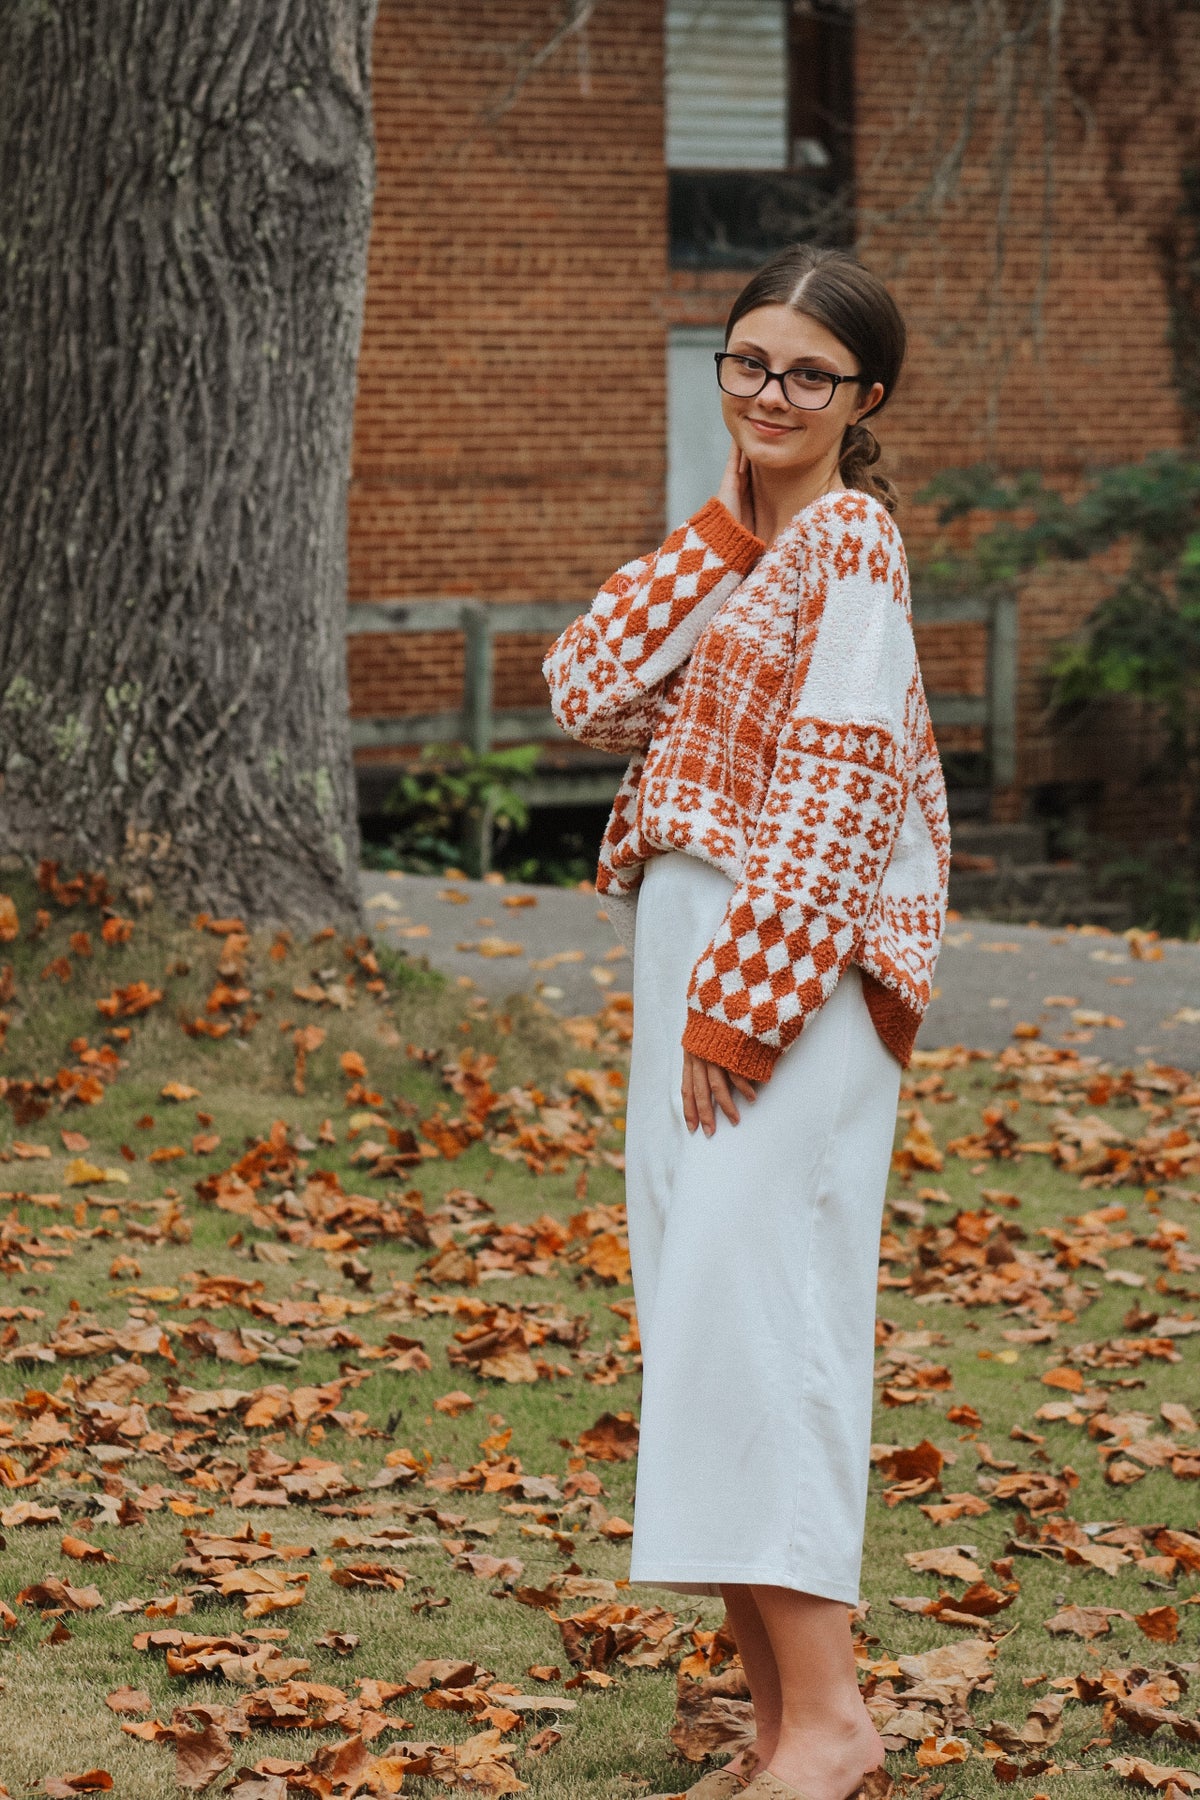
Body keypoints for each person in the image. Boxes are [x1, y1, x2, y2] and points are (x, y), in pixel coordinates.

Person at [543, 243, 951, 1800]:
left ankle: (834, 1722)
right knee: (700, 1319)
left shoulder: (852, 539)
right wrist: (724, 518)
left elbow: (844, 789)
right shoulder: (743, 548)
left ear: (867, 402)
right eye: (748, 363)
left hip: (785, 972)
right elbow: (584, 685)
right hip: (697, 952)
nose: (773, 394)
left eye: (809, 374)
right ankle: (780, 1726)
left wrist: (750, 1002)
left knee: (762, 1308)